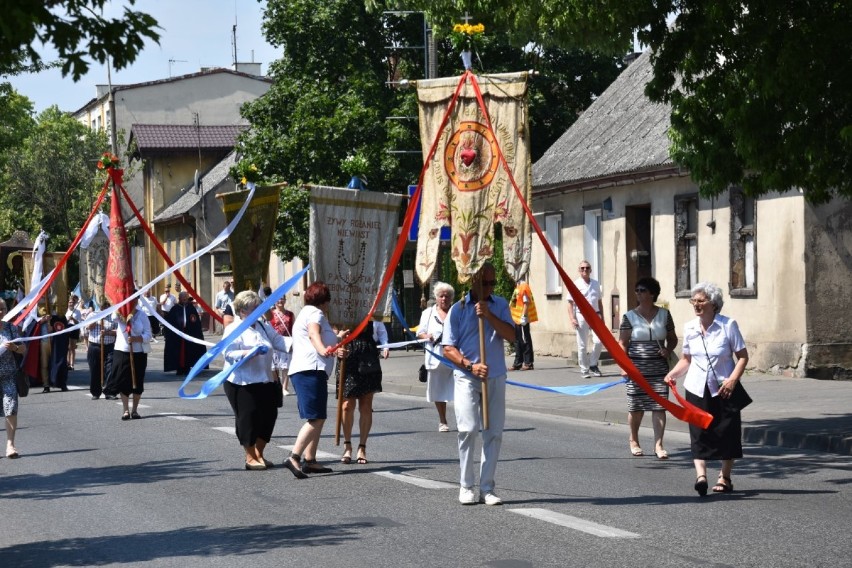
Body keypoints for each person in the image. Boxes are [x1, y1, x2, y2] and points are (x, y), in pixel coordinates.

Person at [665, 282, 749, 496]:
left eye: (701, 301)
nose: (696, 304)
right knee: (698, 432)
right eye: (694, 301)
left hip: (723, 388)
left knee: (726, 431)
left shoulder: (728, 325)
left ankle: (725, 477)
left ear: (714, 304)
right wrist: (673, 374)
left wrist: (732, 381)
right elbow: (686, 359)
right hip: (696, 387)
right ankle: (700, 476)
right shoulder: (690, 327)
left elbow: (742, 357)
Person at [442, 263, 515, 505]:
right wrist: (469, 365)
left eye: (493, 283)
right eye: (485, 283)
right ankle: (466, 486)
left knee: (493, 432)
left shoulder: (501, 305)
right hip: (467, 376)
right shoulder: (458, 309)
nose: (490, 287)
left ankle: (487, 487)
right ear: (473, 281)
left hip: (494, 376)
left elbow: (512, 335)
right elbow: (448, 348)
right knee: (468, 429)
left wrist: (489, 315)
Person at [284, 281, 348, 479]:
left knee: (318, 416)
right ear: (324, 301)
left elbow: (319, 335)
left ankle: (310, 460)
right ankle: (294, 456)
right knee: (316, 417)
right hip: (310, 369)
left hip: (309, 370)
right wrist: (325, 350)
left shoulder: (307, 312)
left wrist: (337, 339)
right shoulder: (316, 314)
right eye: (328, 300)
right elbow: (313, 335)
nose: (329, 304)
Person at [222, 290, 292, 470]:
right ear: (242, 310)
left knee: (269, 416)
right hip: (241, 382)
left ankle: (259, 453)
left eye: (258, 306)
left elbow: (279, 341)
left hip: (265, 379)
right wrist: (248, 353)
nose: (258, 310)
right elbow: (228, 353)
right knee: (249, 418)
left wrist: (305, 343)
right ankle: (250, 456)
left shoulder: (262, 326)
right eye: (254, 307)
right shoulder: (233, 328)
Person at [618, 277, 678, 459]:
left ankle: (658, 445)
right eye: (637, 290)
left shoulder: (664, 315)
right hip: (636, 367)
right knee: (636, 407)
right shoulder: (629, 317)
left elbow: (673, 338)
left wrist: (668, 349)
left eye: (642, 290)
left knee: (659, 405)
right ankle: (634, 439)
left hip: (659, 368)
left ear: (652, 293)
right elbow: (622, 343)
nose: (638, 293)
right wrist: (624, 367)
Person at [336, 319, 383, 465]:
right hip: (347, 354)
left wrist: (385, 344)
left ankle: (362, 447)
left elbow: (380, 323)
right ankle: (347, 445)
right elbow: (332, 330)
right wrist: (336, 346)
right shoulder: (339, 306)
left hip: (367, 352)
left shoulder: (368, 302)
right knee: (347, 405)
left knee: (366, 404)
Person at [416, 282, 455, 432]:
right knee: (438, 390)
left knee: (460, 388)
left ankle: (464, 420)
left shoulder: (456, 311)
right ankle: (443, 421)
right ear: (436, 297)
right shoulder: (428, 313)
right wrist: (427, 336)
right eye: (441, 296)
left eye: (447, 296)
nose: (444, 299)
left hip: (454, 357)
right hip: (435, 357)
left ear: (451, 298)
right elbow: (420, 332)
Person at [107, 308, 152, 421]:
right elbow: (114, 318)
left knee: (138, 381)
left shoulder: (142, 315)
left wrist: (137, 338)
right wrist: (122, 310)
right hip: (122, 351)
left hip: (138, 352)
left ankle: (135, 410)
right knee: (123, 380)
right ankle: (125, 410)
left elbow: (148, 334)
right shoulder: (119, 313)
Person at [568, 260, 605, 379]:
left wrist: (602, 318)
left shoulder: (596, 284)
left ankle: (593, 364)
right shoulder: (576, 284)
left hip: (595, 315)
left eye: (587, 268)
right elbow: (570, 303)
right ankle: (584, 369)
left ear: (591, 270)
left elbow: (599, 302)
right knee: (582, 345)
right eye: (582, 268)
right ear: (579, 271)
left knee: (599, 341)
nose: (585, 270)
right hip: (581, 315)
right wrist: (572, 318)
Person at [1, 299, 24, 458]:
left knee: (11, 408)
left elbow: (23, 349)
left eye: (2, 309)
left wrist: (15, 348)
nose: (0, 312)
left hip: (9, 375)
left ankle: (10, 445)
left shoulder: (11, 328)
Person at [163, 291, 206, 375]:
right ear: (179, 299)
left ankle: (187, 367)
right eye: (183, 299)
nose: (185, 300)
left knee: (189, 351)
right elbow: (170, 322)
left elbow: (196, 321)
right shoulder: (174, 309)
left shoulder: (191, 308)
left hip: (190, 334)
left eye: (186, 298)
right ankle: (179, 368)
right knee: (179, 352)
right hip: (178, 335)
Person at [84, 307, 117, 400]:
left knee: (110, 369)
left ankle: (109, 391)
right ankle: (95, 392)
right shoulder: (92, 315)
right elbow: (86, 329)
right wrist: (97, 319)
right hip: (95, 346)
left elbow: (119, 330)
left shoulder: (113, 315)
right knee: (95, 369)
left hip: (109, 346)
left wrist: (108, 332)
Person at [269, 295, 295, 395]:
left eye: (282, 298)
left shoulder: (290, 314)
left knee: (286, 366)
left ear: (285, 300)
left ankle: (285, 387)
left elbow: (293, 327)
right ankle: (276, 385)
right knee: (273, 367)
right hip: (274, 342)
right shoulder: (270, 314)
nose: (280, 300)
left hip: (286, 342)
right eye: (278, 299)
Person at [510, 278, 537, 371]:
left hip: (522, 319)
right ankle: (518, 363)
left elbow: (526, 302)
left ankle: (528, 363)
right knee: (518, 341)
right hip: (516, 319)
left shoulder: (523, 286)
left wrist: (524, 316)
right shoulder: (518, 285)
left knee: (525, 340)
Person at [48, 311, 70, 391]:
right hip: (52, 342)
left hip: (62, 341)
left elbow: (66, 329)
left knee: (62, 361)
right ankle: (50, 383)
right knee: (51, 361)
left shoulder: (63, 317)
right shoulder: (50, 317)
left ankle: (63, 383)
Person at [65, 295, 82, 370]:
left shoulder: (77, 312)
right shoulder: (65, 311)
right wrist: (67, 320)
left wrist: (73, 318)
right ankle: (67, 363)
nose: (71, 304)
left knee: (72, 347)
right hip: (67, 328)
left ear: (74, 303)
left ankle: (72, 364)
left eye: (72, 302)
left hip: (74, 329)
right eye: (69, 302)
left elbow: (79, 323)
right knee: (67, 347)